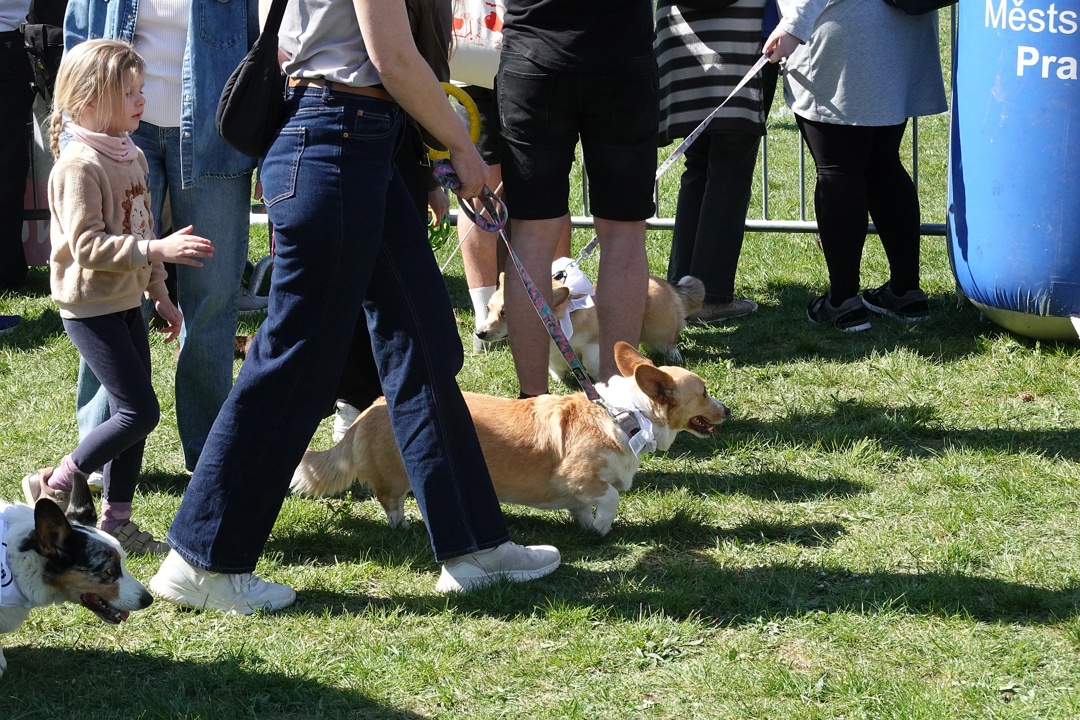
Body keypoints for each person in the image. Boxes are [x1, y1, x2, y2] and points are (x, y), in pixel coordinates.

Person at [148, 0, 561, 614]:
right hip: (339, 139)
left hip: (351, 140)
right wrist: (460, 145)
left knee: (422, 342)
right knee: (297, 360)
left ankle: (474, 546)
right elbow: (391, 56)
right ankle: (202, 559)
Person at [22, 39, 214, 553]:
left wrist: (160, 293)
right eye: (128, 92)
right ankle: (57, 480)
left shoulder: (131, 154)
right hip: (90, 308)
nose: (141, 99)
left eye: (140, 89)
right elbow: (86, 246)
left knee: (133, 416)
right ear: (88, 101)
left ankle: (115, 521)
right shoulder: (78, 165)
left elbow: (140, 225)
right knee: (138, 412)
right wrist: (156, 250)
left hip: (128, 301)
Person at [64, 0, 259, 471]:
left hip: (217, 132)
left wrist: (264, 139)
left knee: (213, 297)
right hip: (118, 130)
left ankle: (208, 454)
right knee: (109, 292)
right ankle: (99, 452)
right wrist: (74, 133)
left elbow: (263, 45)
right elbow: (79, 35)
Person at [497, 0, 657, 397]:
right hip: (620, 55)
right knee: (622, 234)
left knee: (532, 236)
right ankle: (617, 396)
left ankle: (532, 400)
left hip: (534, 56)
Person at [764, 0, 946, 331]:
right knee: (883, 162)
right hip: (898, 29)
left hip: (841, 29)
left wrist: (794, 24)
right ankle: (905, 292)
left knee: (839, 169)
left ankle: (843, 301)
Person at [656, 0, 780, 324]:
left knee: (698, 166)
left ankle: (682, 295)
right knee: (730, 171)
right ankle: (710, 298)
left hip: (680, 42)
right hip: (741, 43)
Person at [0, 0, 33, 297]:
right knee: (8, 168)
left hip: (10, 44)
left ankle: (9, 270)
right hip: (9, 44)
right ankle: (8, 271)